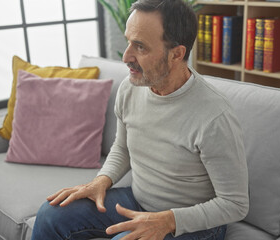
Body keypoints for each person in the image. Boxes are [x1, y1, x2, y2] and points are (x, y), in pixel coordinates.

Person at [31, 0, 249, 239]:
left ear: (176, 54)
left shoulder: (214, 116)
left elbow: (235, 204)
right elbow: (122, 147)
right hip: (137, 202)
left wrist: (168, 220)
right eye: (128, 42)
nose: (126, 57)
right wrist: (101, 180)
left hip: (193, 224)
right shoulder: (130, 88)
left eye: (140, 47)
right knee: (50, 215)